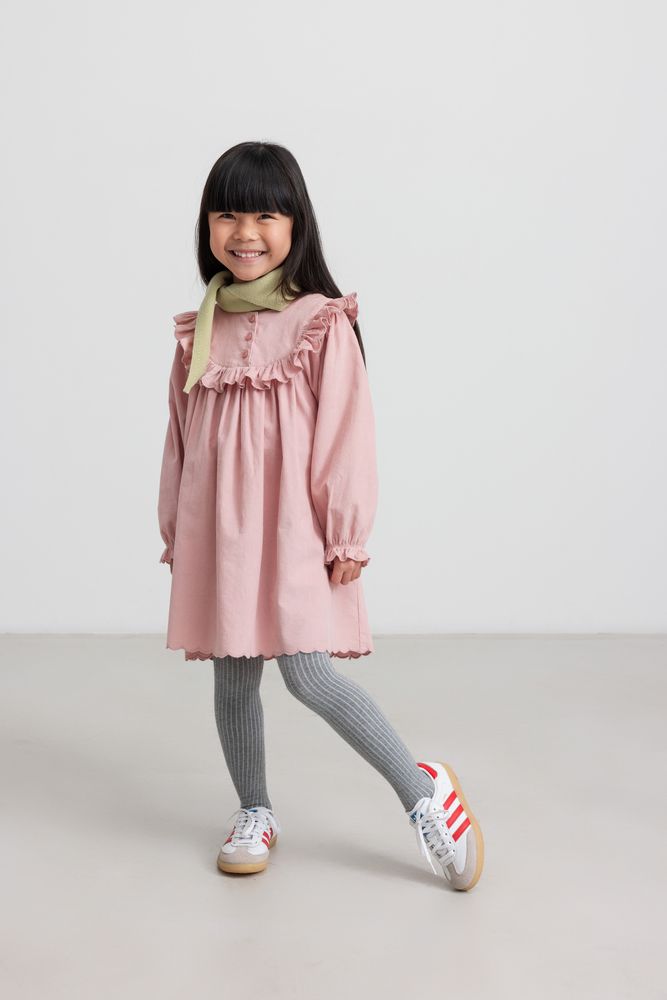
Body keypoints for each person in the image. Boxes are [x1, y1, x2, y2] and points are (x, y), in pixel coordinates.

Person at [157, 141, 484, 890]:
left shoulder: (319, 322)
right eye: (227, 215)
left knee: (308, 675)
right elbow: (179, 436)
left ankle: (422, 792)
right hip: (221, 533)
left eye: (265, 216)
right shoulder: (197, 330)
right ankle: (255, 809)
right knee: (233, 679)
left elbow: (345, 433)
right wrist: (177, 526)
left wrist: (346, 532)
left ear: (296, 225)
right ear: (206, 226)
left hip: (295, 531)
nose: (245, 232)